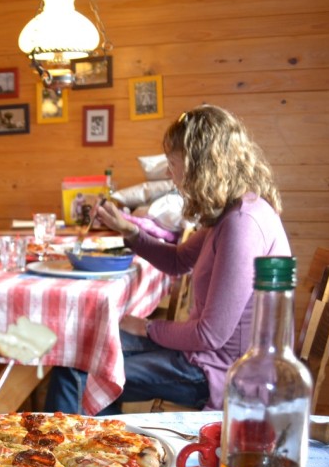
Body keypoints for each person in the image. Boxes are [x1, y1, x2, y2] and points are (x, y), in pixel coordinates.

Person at [44, 104, 291, 414]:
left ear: (201, 165)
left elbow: (209, 335)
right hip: (208, 355)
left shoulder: (241, 224)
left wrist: (147, 328)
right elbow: (177, 262)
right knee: (84, 350)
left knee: (80, 368)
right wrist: (128, 229)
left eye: (173, 164)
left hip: (223, 371)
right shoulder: (233, 211)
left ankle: (73, 455)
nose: (170, 176)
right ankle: (100, 448)